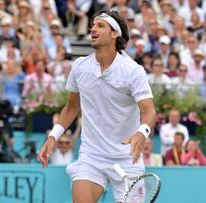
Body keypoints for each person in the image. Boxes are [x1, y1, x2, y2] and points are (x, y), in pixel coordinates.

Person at [38, 10, 156, 203]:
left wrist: (141, 133)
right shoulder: (80, 67)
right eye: (92, 25)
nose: (93, 29)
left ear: (114, 34)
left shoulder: (133, 71)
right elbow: (71, 107)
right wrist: (53, 136)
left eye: (100, 25)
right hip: (92, 156)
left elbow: (149, 110)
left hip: (127, 158)